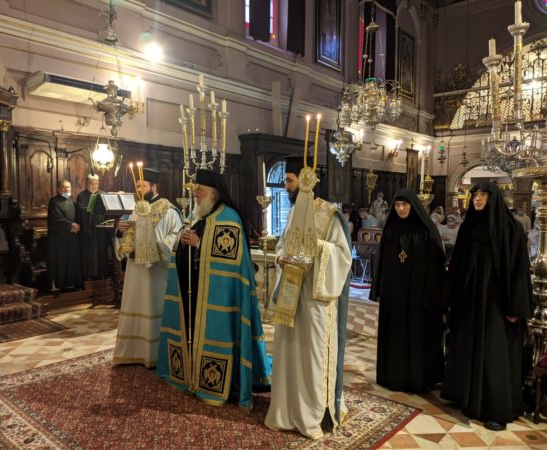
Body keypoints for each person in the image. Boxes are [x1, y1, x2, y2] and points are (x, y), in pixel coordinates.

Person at [156, 169, 271, 409]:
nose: (195, 194)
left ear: (214, 193)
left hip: (218, 296)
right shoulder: (196, 215)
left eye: (200, 190)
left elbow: (230, 263)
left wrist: (199, 244)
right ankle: (189, 375)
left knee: (215, 335)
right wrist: (181, 240)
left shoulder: (229, 217)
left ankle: (212, 384)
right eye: (195, 190)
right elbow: (180, 244)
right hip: (191, 291)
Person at [265, 157, 352, 439]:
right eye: (286, 181)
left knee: (312, 354)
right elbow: (283, 244)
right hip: (291, 294)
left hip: (316, 298)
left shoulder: (329, 214)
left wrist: (317, 247)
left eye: (289, 180)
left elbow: (343, 255)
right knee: (289, 351)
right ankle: (288, 409)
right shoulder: (293, 213)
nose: (286, 186)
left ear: (306, 180)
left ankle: (315, 412)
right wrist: (280, 257)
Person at [441, 182, 533, 431]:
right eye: (475, 195)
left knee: (494, 353)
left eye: (483, 195)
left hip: (497, 303)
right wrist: (450, 298)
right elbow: (458, 265)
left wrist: (516, 307)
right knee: (469, 347)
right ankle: (468, 399)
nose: (478, 199)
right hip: (470, 300)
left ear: (494, 198)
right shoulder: (468, 227)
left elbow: (519, 270)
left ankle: (495, 409)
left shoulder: (511, 229)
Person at [370, 188, 445, 394]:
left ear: (413, 206)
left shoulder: (427, 232)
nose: (401, 208)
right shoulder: (390, 231)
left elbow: (436, 266)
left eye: (405, 205)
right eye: (397, 205)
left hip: (418, 296)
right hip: (393, 295)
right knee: (394, 335)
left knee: (416, 336)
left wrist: (432, 295)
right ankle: (391, 376)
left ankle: (418, 379)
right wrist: (378, 290)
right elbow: (381, 263)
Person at [113, 169, 182, 367]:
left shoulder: (168, 209)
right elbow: (128, 238)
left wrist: (158, 249)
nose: (139, 190)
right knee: (134, 304)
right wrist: (120, 231)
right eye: (137, 186)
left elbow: (176, 236)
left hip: (156, 271)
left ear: (154, 186)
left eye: (143, 186)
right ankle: (133, 351)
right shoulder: (137, 209)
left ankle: (154, 354)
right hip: (136, 268)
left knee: (153, 306)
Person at [46, 180, 82, 291]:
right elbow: (56, 218)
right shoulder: (54, 201)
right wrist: (71, 225)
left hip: (71, 237)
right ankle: (58, 285)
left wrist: (78, 226)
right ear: (58, 189)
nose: (66, 189)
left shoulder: (72, 202)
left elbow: (78, 217)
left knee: (71, 261)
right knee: (59, 262)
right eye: (64, 187)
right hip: (58, 238)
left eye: (68, 187)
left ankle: (70, 284)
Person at [76, 174, 111, 280]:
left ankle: (102, 273)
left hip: (101, 227)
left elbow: (108, 210)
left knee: (102, 250)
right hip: (89, 228)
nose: (94, 186)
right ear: (87, 183)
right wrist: (89, 209)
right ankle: (89, 275)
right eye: (92, 183)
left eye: (97, 183)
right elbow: (80, 212)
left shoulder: (103, 194)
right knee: (90, 252)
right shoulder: (81, 196)